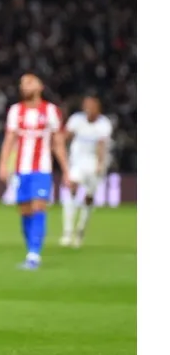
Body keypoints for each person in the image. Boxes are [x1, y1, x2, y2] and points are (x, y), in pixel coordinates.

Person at [0, 74, 69, 270]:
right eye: (22, 84)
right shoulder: (15, 111)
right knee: (25, 211)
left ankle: (34, 255)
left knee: (39, 206)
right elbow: (10, 140)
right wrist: (3, 164)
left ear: (40, 86)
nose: (24, 86)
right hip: (21, 169)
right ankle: (31, 249)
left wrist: (66, 170)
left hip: (42, 169)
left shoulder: (51, 111)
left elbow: (58, 143)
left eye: (29, 82)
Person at [60, 95, 113, 248]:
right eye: (85, 105)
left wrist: (100, 164)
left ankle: (81, 229)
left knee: (89, 198)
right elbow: (66, 136)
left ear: (98, 109)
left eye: (91, 106)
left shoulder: (104, 124)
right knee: (71, 188)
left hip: (95, 163)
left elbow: (101, 146)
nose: (87, 108)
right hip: (77, 162)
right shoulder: (76, 120)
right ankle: (67, 231)